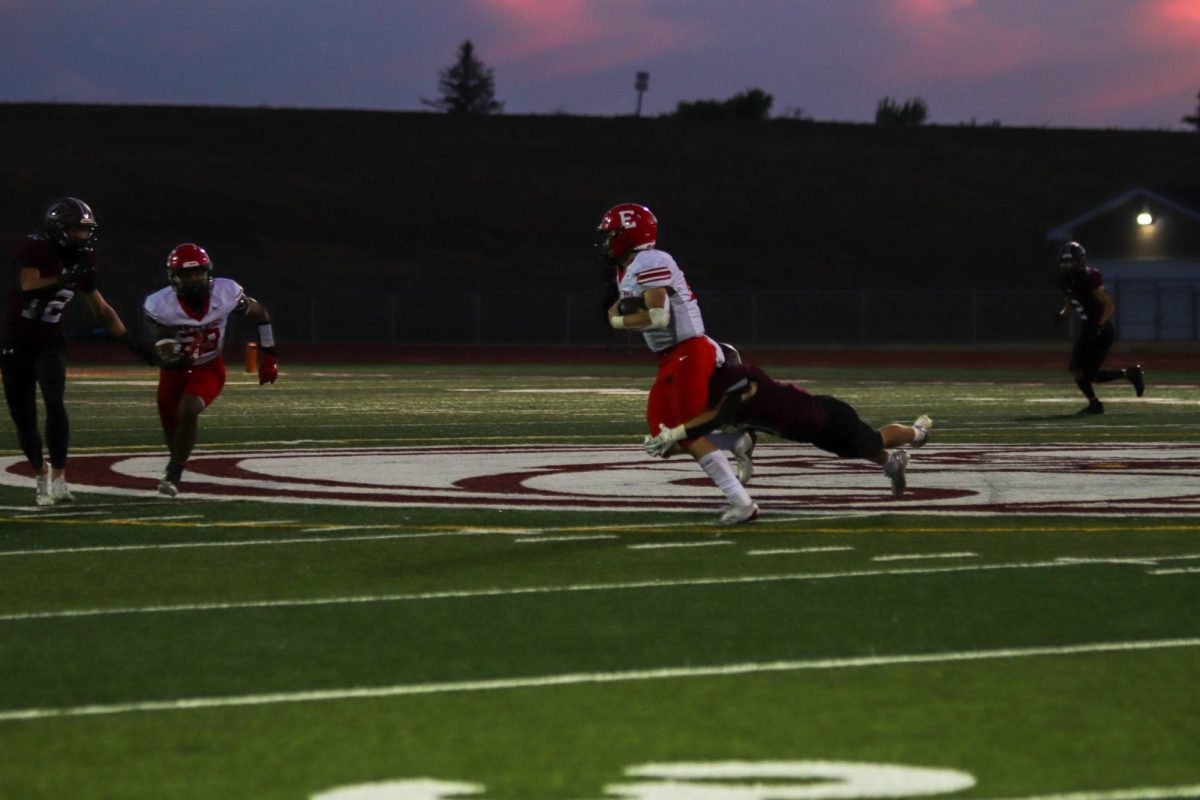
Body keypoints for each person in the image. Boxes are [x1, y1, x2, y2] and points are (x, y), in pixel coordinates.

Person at [598, 203, 758, 525]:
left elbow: (659, 317)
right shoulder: (630, 267)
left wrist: (616, 321)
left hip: (688, 351)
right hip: (670, 357)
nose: (606, 241)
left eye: (612, 234)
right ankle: (736, 441)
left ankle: (742, 503)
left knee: (684, 433)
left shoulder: (651, 260)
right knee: (661, 437)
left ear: (628, 234)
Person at [1, 197, 155, 506]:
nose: (83, 236)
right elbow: (27, 286)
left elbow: (101, 309)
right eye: (77, 229)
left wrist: (133, 345)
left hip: (49, 340)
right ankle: (39, 474)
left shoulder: (85, 259)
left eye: (86, 230)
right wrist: (65, 277)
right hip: (15, 342)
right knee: (24, 417)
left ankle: (59, 477)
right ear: (59, 229)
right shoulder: (35, 247)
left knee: (55, 403)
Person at [643, 360, 933, 498]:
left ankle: (917, 433)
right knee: (860, 448)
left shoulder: (740, 383)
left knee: (872, 440)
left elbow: (720, 418)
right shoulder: (720, 396)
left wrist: (676, 433)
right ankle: (894, 463)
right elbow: (736, 435)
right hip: (812, 431)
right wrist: (671, 444)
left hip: (827, 417)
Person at [143, 243, 278, 497]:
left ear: (208, 272)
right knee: (171, 423)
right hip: (174, 371)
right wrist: (180, 358)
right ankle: (177, 465)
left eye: (198, 273)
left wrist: (270, 356)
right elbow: (164, 352)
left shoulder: (226, 292)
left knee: (189, 409)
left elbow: (261, 314)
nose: (194, 279)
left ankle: (174, 473)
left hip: (209, 366)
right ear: (174, 278)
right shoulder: (160, 305)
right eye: (187, 274)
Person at [1054, 241, 1144, 414]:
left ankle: (1129, 375)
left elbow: (1109, 305)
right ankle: (1095, 403)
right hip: (1088, 328)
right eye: (1064, 262)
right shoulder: (1064, 280)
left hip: (1101, 330)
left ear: (1079, 260)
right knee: (1076, 370)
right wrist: (1061, 315)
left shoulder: (1090, 276)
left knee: (1089, 374)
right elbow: (1071, 304)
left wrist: (1100, 325)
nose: (1066, 265)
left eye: (1070, 261)